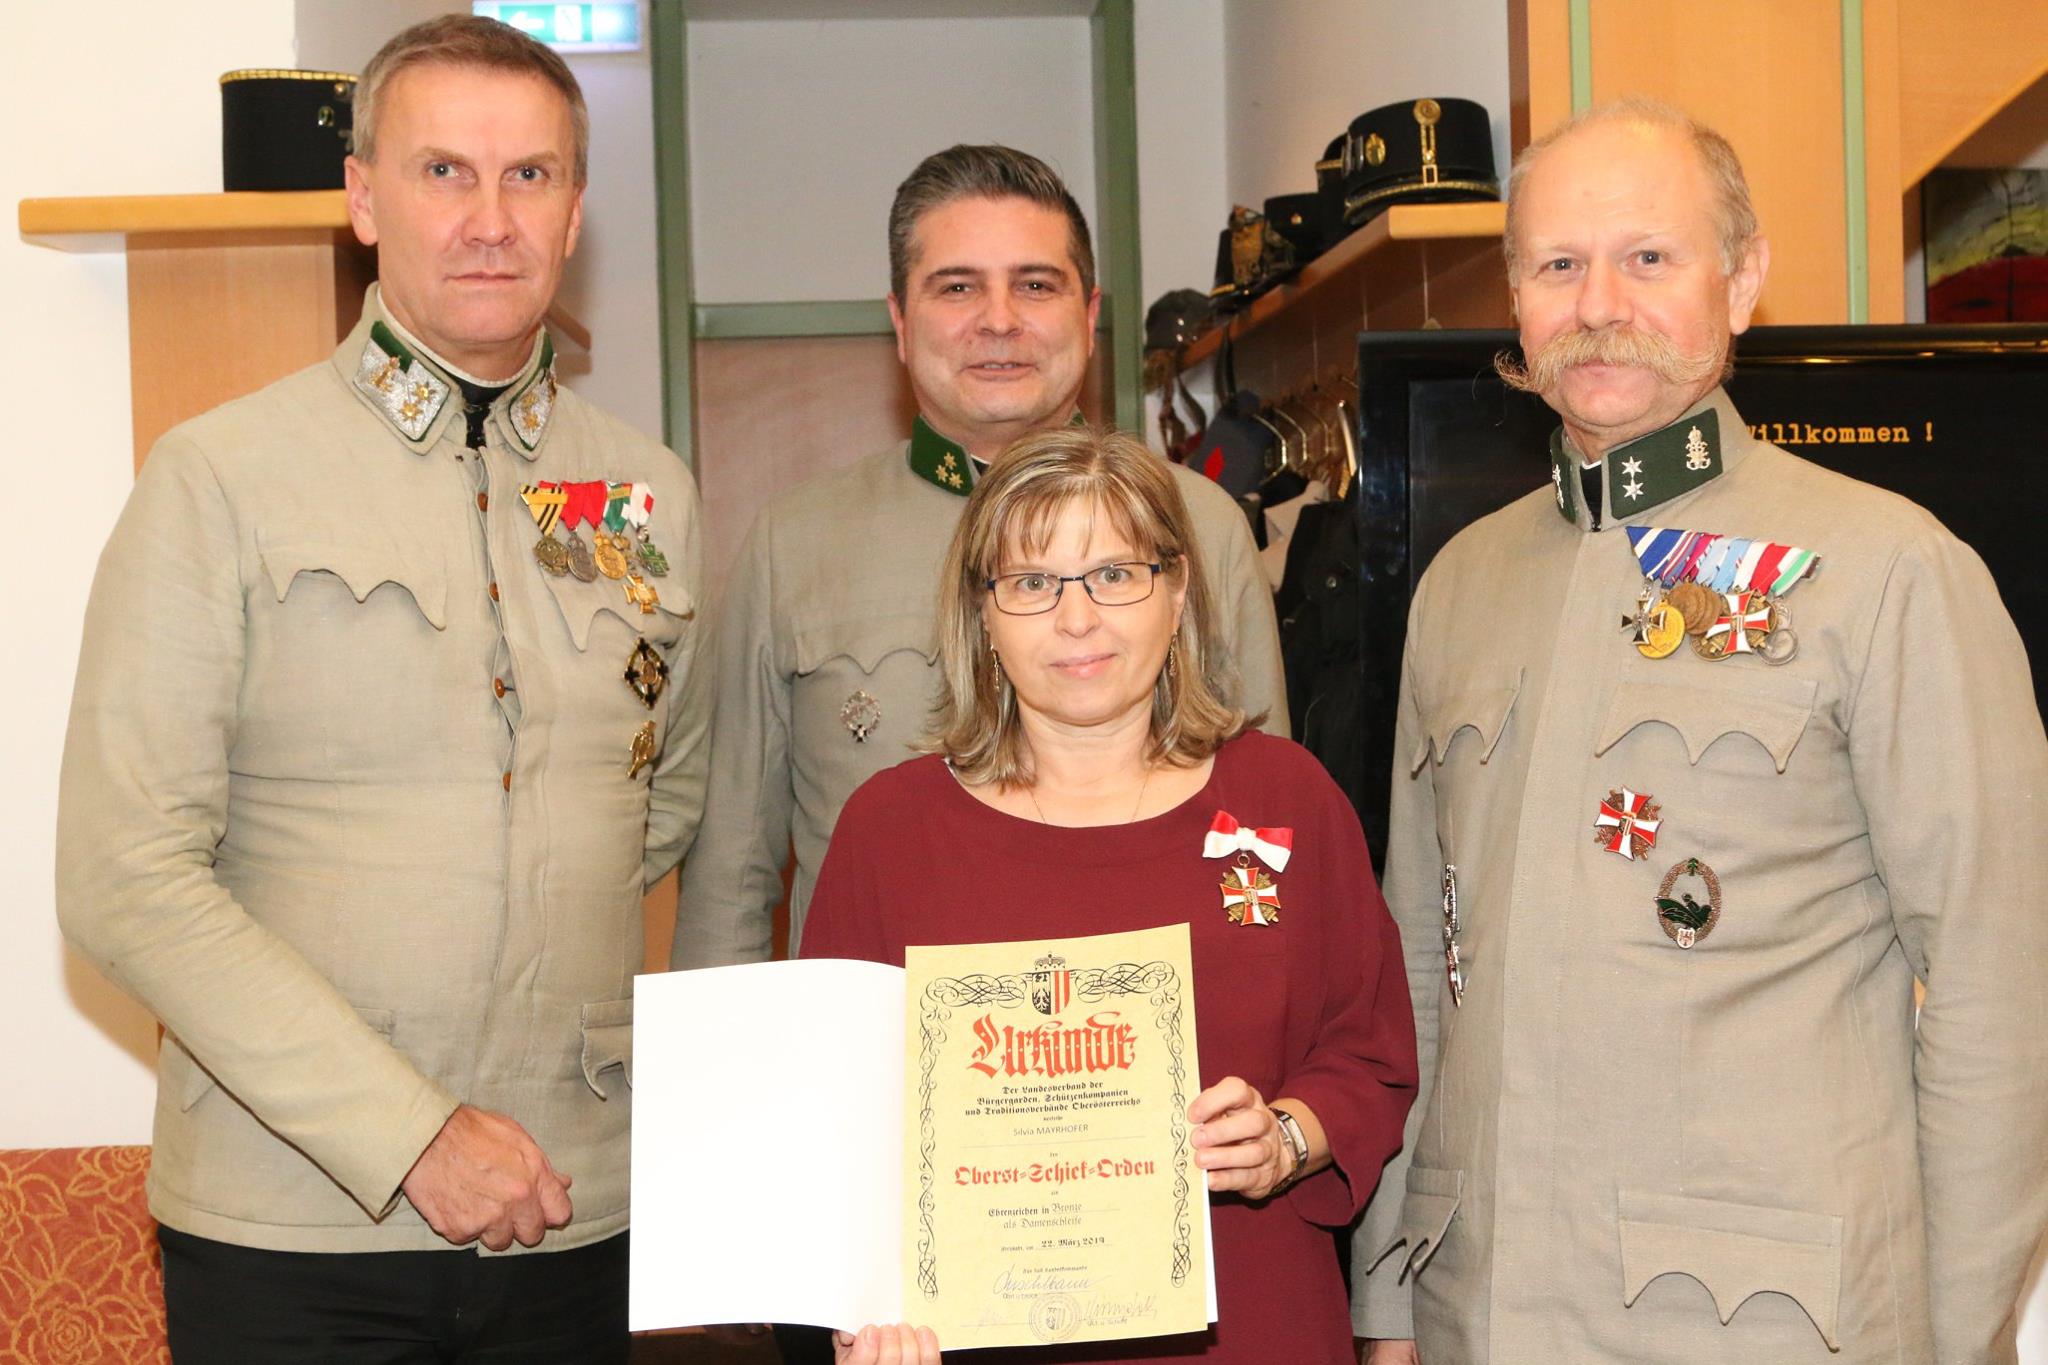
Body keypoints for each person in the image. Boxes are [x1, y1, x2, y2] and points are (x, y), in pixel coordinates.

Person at [1352, 98, 2048, 1364]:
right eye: (1556, 265)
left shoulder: (1885, 570)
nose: (1596, 303)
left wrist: (1963, 1342)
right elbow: (1415, 964)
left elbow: (1999, 991)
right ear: (1512, 298)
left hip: (1763, 1323)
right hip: (1483, 1314)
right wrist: (1391, 1300)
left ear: (1741, 280)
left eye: (1647, 257)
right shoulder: (1461, 584)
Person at [54, 16, 709, 1360]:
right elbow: (125, 875)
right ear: (362, 199)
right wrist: (412, 1134)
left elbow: (660, 795)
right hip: (291, 1229)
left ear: (575, 209)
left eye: (529, 175)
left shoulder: (643, 492)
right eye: (442, 171)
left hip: (573, 1206)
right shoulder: (222, 478)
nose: (490, 218)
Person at [799, 424, 1417, 1365]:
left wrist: (1287, 1139)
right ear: (982, 612)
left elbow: (1370, 1051)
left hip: (1254, 1329)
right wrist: (861, 1308)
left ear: (1178, 592)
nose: (1077, 618)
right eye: (1032, 582)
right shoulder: (889, 833)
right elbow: (834, 1124)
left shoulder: (1286, 797)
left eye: (1116, 574)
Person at [676, 144, 1287, 975]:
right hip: (880, 1051)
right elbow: (730, 882)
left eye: (1035, 285)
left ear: (1088, 313)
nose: (999, 320)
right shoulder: (795, 546)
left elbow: (1263, 837)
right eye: (957, 287)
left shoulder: (1200, 527)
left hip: (1149, 1042)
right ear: (900, 322)